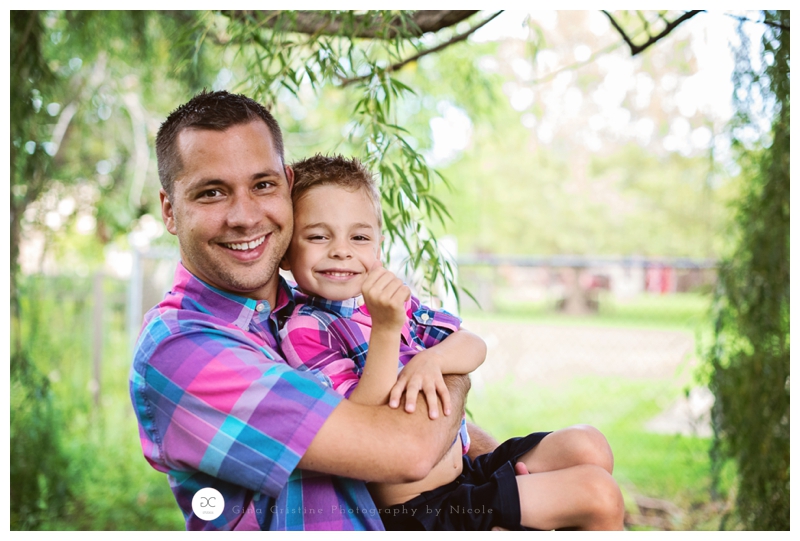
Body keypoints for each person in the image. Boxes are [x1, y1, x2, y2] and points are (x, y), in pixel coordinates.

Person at [130, 90, 623, 531]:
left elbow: (436, 393)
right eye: (211, 192)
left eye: (262, 185)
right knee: (595, 496)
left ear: (287, 184)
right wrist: (440, 373)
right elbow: (405, 449)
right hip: (412, 513)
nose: (244, 216)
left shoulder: (306, 301)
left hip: (447, 491)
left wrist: (486, 467)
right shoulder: (183, 349)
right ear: (170, 210)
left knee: (585, 451)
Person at [278, 155, 625, 530]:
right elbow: (360, 423)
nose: (341, 250)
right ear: (286, 252)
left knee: (588, 444)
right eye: (318, 236)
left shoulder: (394, 301)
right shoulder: (306, 326)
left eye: (359, 237)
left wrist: (431, 361)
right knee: (598, 495)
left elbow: (472, 345)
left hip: (465, 476)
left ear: (378, 247)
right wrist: (386, 329)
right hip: (420, 509)